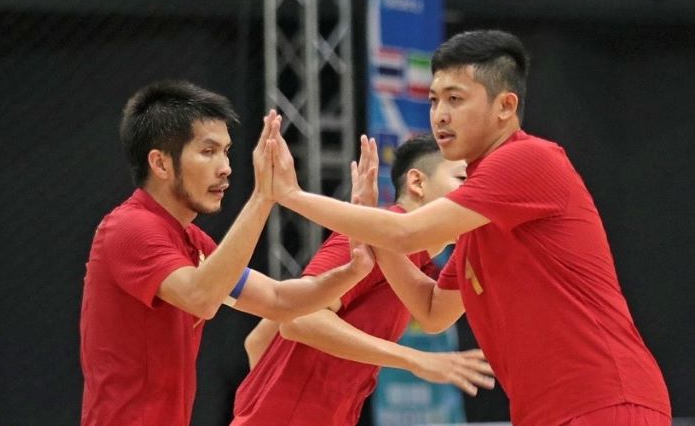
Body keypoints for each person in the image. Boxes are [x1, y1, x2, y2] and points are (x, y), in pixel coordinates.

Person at [262, 30, 671, 426]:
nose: (440, 114)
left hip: (605, 399)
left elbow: (406, 233)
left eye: (455, 99)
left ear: (505, 106)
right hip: (547, 412)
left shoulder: (526, 158)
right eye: (434, 100)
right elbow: (431, 310)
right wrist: (369, 224)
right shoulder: (477, 228)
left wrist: (293, 196)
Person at [80, 80, 377, 426]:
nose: (225, 167)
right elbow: (201, 297)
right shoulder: (130, 227)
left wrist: (354, 270)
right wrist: (263, 198)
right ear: (160, 164)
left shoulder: (191, 241)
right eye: (208, 151)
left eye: (226, 151)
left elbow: (279, 300)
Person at [231, 134, 495, 426]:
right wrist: (416, 359)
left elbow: (258, 340)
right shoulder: (369, 235)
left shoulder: (420, 266)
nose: (475, 192)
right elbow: (298, 321)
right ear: (417, 183)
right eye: (463, 178)